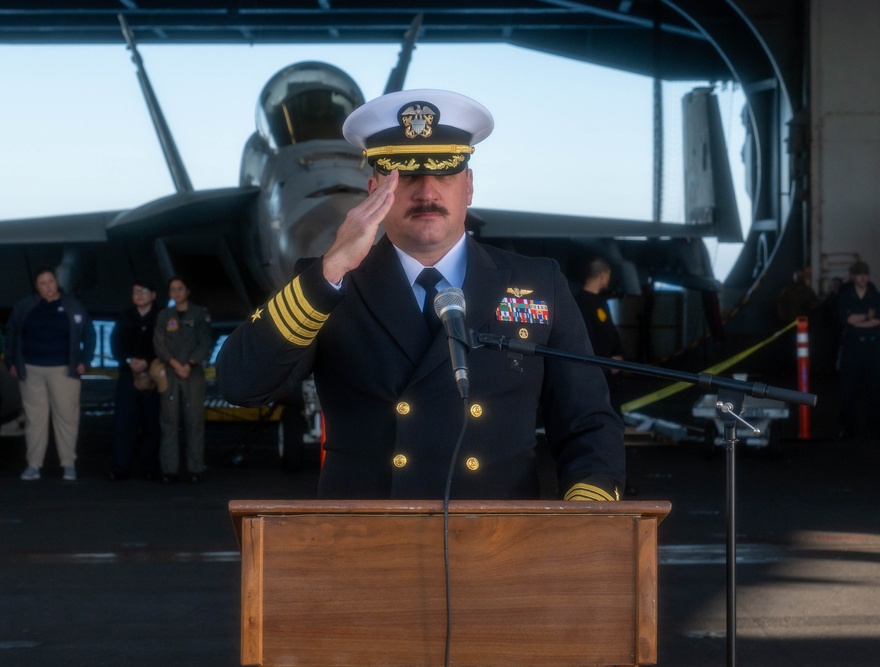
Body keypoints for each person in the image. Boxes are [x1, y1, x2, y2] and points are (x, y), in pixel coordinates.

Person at [217, 88, 625, 501]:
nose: (427, 192)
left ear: (468, 185)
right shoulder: (327, 285)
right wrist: (331, 268)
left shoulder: (539, 282)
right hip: (363, 545)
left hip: (499, 545)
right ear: (375, 188)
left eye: (445, 173)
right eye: (407, 175)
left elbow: (587, 422)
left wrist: (586, 517)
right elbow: (241, 383)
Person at [5, 267, 95, 481]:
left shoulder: (72, 306)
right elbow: (12, 334)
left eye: (51, 282)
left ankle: (68, 464)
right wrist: (11, 361)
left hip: (63, 369)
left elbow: (89, 334)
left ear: (57, 282)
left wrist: (85, 361)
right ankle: (34, 465)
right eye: (43, 283)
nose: (48, 287)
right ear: (37, 286)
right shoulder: (25, 306)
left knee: (66, 418)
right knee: (35, 420)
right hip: (31, 369)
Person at [153, 277, 213, 483]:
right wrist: (175, 364)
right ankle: (169, 469)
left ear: (187, 291)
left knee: (194, 420)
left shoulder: (199, 314)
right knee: (169, 421)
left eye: (180, 289)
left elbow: (205, 342)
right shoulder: (164, 315)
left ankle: (196, 468)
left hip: (193, 372)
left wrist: (190, 363)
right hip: (171, 372)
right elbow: (159, 343)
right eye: (172, 289)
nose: (176, 292)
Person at [109, 280, 162, 481]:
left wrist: (147, 362)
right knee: (124, 423)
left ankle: (150, 468)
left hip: (154, 376)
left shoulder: (161, 317)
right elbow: (116, 344)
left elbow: (166, 344)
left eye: (143, 291)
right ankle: (120, 467)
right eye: (135, 292)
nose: (139, 295)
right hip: (128, 375)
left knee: (152, 423)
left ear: (153, 295)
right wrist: (129, 360)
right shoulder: (125, 317)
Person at [837, 260, 880, 439]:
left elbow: (878, 320)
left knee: (874, 388)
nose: (863, 277)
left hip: (871, 347)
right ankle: (847, 427)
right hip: (852, 347)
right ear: (852, 276)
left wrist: (859, 321)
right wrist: (866, 317)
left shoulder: (876, 296)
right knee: (849, 388)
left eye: (865, 274)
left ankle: (875, 427)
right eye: (859, 274)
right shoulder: (845, 296)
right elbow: (847, 319)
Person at [574, 257, 626, 414]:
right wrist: (604, 362)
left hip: (608, 371)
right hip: (593, 372)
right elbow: (585, 338)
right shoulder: (580, 302)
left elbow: (610, 331)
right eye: (608, 275)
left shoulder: (601, 301)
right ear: (603, 275)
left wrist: (619, 355)